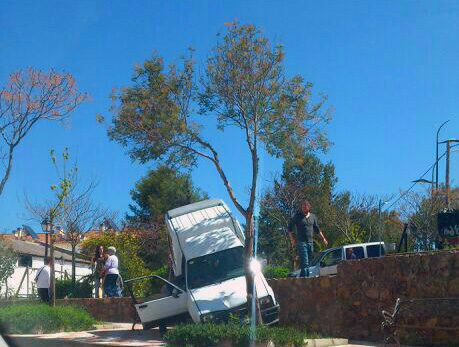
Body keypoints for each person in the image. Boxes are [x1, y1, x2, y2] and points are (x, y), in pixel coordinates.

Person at [288, 200, 328, 277]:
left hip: (310, 242)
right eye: (302, 206)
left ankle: (304, 278)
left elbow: (317, 229)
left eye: (305, 206)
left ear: (309, 207)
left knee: (309, 261)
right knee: (305, 261)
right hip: (301, 242)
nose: (304, 208)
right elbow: (289, 228)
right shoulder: (297, 216)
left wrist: (323, 239)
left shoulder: (313, 217)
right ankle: (306, 279)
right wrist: (292, 239)